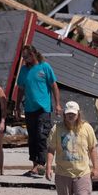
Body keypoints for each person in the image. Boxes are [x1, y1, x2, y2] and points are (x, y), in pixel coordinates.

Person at [45, 101, 98, 195]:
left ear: (78, 114)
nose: (70, 116)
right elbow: (51, 149)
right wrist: (48, 167)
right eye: (68, 114)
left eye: (73, 114)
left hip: (82, 172)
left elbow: (93, 148)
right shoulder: (57, 129)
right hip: (63, 172)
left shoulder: (86, 128)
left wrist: (95, 168)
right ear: (64, 114)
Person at [15, 45, 61, 178]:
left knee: (42, 135)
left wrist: (57, 104)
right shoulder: (24, 70)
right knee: (33, 137)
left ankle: (42, 163)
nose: (25, 59)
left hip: (44, 108)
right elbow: (21, 89)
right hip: (29, 108)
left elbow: (54, 86)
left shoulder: (44, 67)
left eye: (26, 56)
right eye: (23, 57)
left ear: (33, 54)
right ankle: (35, 165)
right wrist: (17, 107)